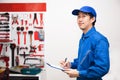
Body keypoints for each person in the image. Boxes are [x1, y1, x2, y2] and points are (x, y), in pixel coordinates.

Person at [60, 6, 110, 80]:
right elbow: (83, 61)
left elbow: (102, 68)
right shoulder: (83, 38)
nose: (80, 19)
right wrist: (70, 64)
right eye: (78, 17)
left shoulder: (100, 40)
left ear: (92, 19)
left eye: (84, 16)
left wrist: (79, 73)